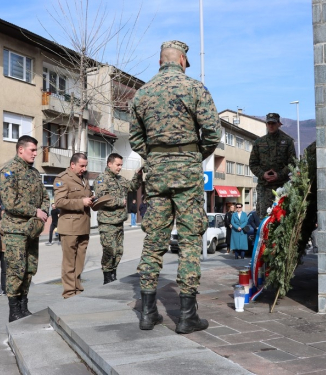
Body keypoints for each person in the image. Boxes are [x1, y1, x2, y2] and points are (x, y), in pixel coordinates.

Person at [130, 40, 221, 333]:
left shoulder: (142, 93)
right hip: (186, 172)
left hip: (156, 175)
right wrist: (194, 155)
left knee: (153, 241)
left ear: (160, 62)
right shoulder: (194, 88)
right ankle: (186, 316)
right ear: (182, 59)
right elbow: (212, 132)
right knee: (190, 240)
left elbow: (135, 137)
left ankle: (146, 313)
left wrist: (156, 158)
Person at [0, 135, 49, 322]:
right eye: (32, 150)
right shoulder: (9, 171)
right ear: (21, 150)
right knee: (16, 270)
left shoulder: (34, 173)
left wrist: (44, 210)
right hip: (16, 231)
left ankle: (23, 306)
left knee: (29, 268)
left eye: (36, 150)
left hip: (32, 231)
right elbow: (10, 203)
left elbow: (45, 196)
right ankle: (13, 311)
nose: (36, 153)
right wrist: (34, 211)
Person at [93, 153, 142, 284]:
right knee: (109, 250)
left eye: (121, 165)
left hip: (119, 221)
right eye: (118, 165)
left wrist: (138, 175)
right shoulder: (101, 179)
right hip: (107, 222)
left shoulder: (120, 179)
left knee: (119, 251)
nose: (120, 167)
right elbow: (102, 199)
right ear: (110, 164)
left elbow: (132, 186)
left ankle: (113, 273)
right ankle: (107, 277)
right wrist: (121, 201)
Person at [54, 153, 93, 299]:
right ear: (73, 165)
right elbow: (59, 202)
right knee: (69, 262)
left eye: (85, 166)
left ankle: (78, 290)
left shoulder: (83, 179)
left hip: (83, 225)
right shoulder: (63, 178)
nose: (84, 168)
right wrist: (81, 202)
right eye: (82, 166)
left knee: (79, 261)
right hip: (69, 226)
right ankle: (69, 293)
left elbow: (84, 196)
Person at [249, 113, 296, 218]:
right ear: (266, 124)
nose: (271, 126)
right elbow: (253, 164)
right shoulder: (259, 142)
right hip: (264, 187)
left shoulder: (287, 141)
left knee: (283, 217)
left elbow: (292, 163)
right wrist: (263, 174)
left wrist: (279, 175)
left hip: (282, 187)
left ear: (279, 124)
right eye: (269, 123)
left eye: (273, 123)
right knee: (264, 218)